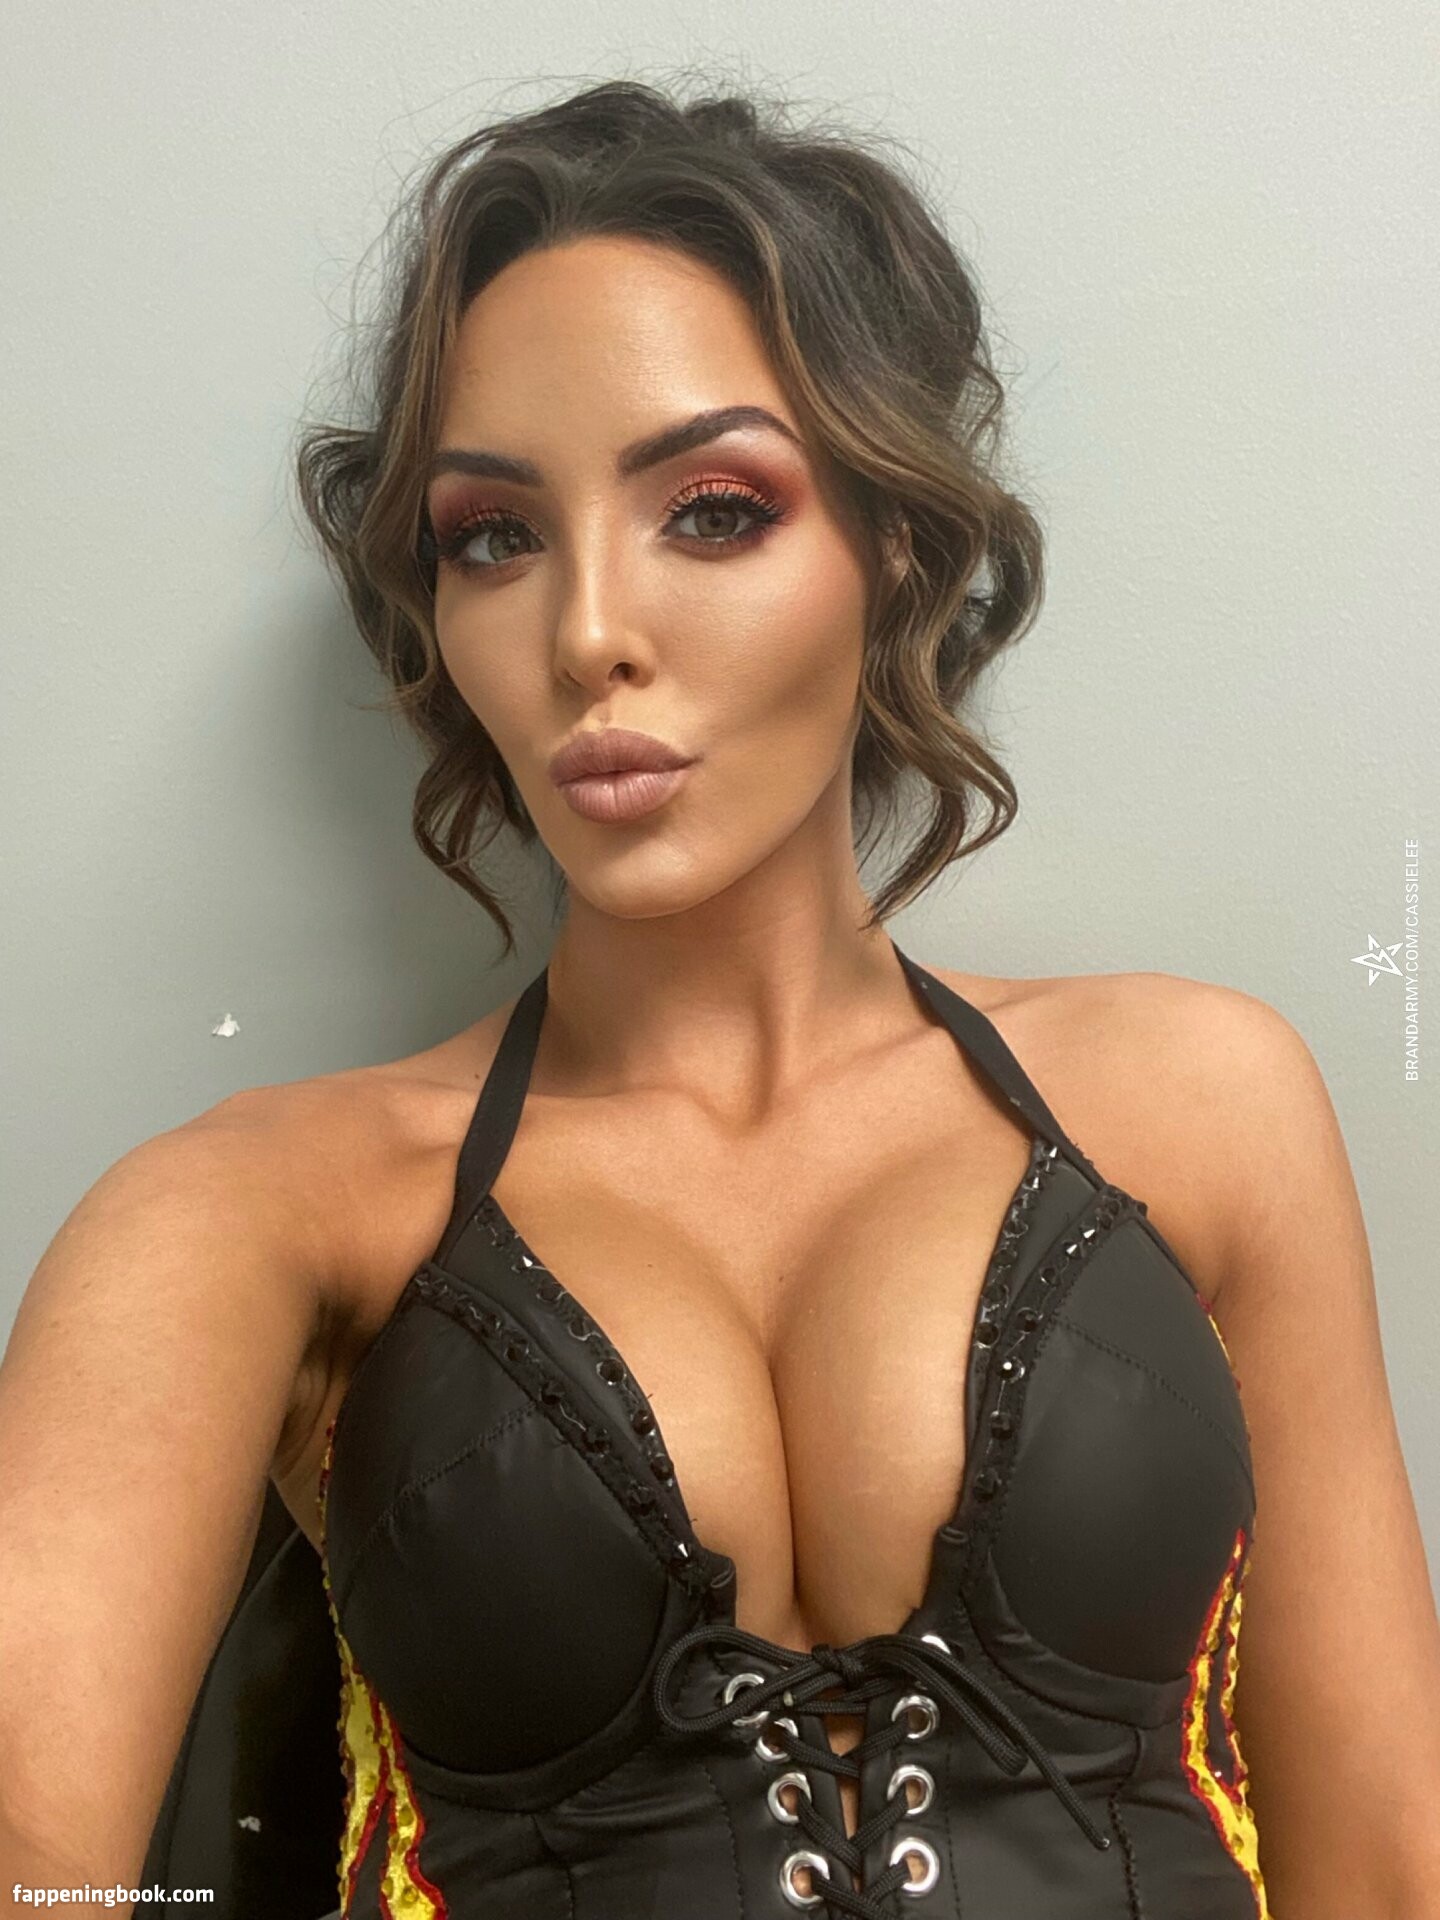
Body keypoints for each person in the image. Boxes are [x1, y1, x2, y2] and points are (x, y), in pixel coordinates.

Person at [3, 75, 1438, 1920]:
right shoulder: (254, 1213)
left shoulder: (1202, 1099)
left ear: (895, 540)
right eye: (493, 536)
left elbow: (1384, 1866)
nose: (588, 630)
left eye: (711, 509)